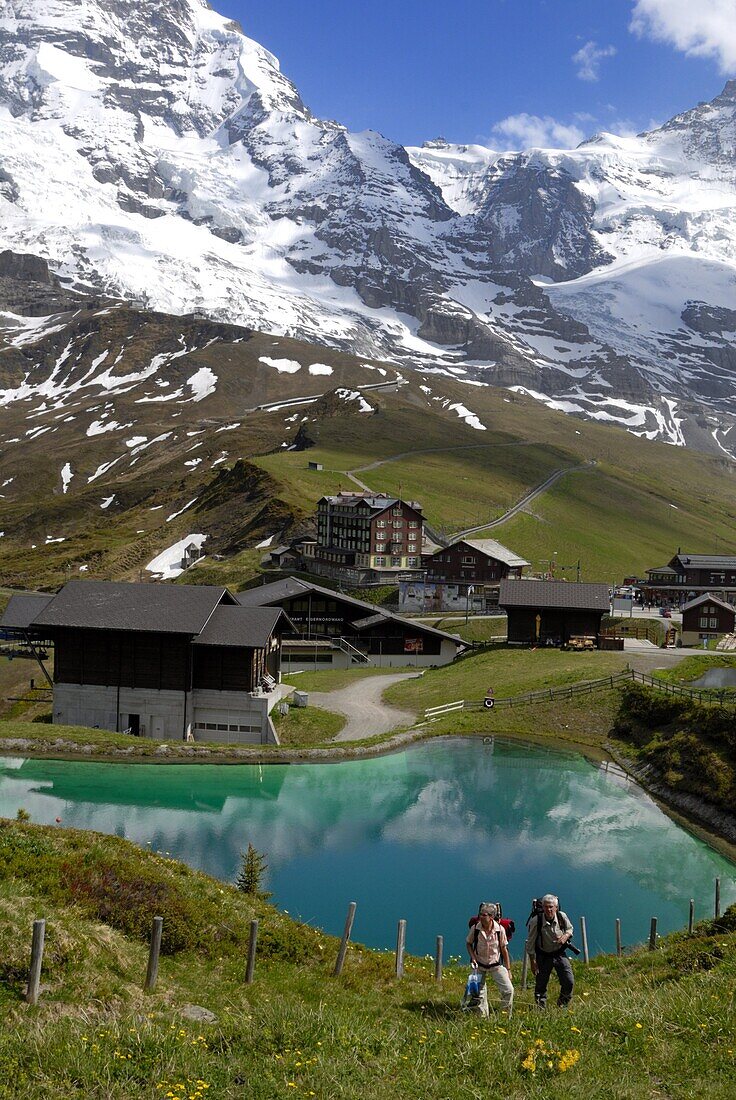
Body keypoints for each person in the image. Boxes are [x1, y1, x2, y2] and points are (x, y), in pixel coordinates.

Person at [525, 894, 574, 1008]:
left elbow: (570, 928)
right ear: (542, 907)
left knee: (569, 981)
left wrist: (565, 936)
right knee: (541, 984)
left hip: (559, 954)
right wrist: (533, 962)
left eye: (551, 907)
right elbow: (531, 942)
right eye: (546, 907)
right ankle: (541, 1008)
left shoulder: (562, 916)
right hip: (543, 956)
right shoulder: (536, 921)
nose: (549, 909)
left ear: (556, 907)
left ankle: (562, 1005)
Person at [466, 902, 514, 1017]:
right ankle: (482, 1018)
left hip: (496, 965)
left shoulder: (500, 930)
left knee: (509, 990)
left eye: (484, 915)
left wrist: (508, 969)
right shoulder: (475, 928)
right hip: (479, 965)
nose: (481, 917)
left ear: (491, 916)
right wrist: (473, 958)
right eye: (480, 914)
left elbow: (504, 949)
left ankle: (504, 1016)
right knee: (478, 993)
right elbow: (468, 943)